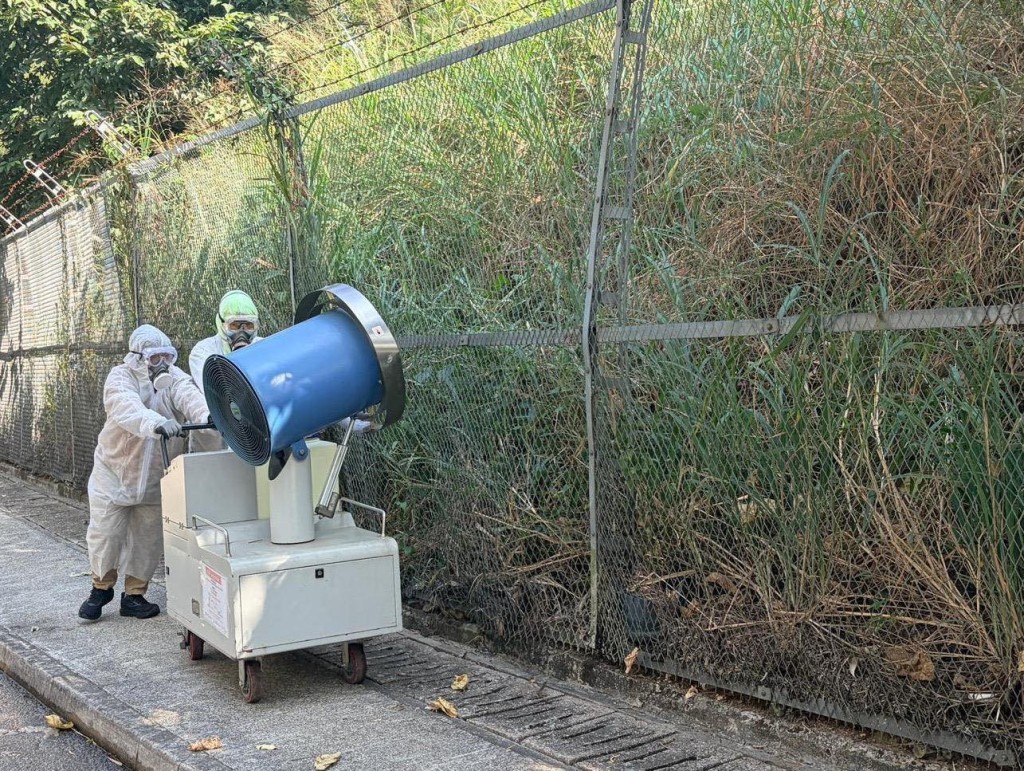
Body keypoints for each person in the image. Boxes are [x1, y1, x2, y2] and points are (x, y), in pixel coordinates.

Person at [79, 325, 211, 622]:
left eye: (167, 356)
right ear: (138, 358)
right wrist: (156, 422)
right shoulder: (120, 377)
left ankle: (134, 595)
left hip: (155, 478)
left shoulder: (174, 379)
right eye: (154, 358)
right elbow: (125, 408)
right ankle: (100, 588)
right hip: (113, 475)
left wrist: (207, 415)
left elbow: (190, 397)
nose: (162, 364)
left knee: (148, 539)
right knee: (105, 534)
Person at [188, 290, 262, 452]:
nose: (242, 332)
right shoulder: (203, 351)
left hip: (255, 434)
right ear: (221, 324)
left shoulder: (264, 347)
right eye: (234, 326)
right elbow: (216, 391)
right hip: (214, 437)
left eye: (249, 326)